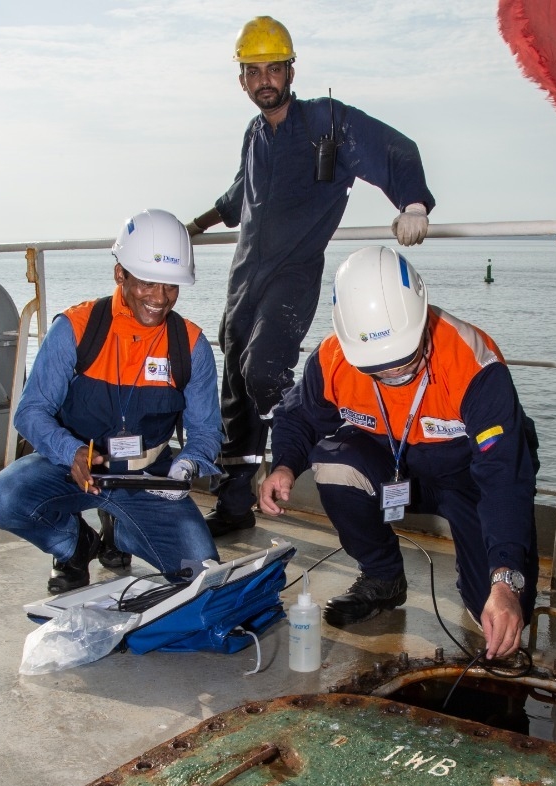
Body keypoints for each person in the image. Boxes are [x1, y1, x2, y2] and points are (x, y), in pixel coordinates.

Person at [187, 15, 435, 537]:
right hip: (243, 280)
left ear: (291, 70)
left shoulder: (328, 122)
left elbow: (394, 148)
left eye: (272, 68)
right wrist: (196, 225)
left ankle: (321, 434)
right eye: (252, 72)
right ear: (242, 81)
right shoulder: (253, 136)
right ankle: (234, 503)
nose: (264, 80)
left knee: (263, 374)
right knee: (235, 388)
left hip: (293, 276)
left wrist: (412, 202)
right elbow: (237, 197)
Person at [259, 247, 539, 659]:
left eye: (404, 359)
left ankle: (486, 577)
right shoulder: (333, 357)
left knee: (499, 612)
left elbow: (504, 476)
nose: (394, 373)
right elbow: (299, 416)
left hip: (470, 482)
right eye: (377, 366)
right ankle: (382, 577)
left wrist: (505, 579)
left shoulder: (474, 363)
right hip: (397, 472)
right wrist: (283, 463)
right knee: (334, 462)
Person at [0, 209, 220, 593]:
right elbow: (31, 411)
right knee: (1, 499)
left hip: (148, 477)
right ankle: (74, 546)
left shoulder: (191, 345)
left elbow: (206, 430)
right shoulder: (74, 328)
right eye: (148, 282)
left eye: (171, 286)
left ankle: (122, 531)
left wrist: (189, 464)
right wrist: (71, 451)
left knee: (202, 576)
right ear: (120, 274)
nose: (160, 298)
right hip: (74, 467)